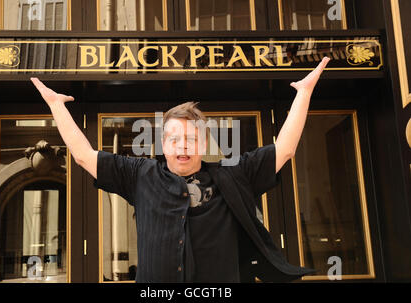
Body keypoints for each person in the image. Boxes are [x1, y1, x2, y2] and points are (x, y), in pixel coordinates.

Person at [31, 57, 331, 283]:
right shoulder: (141, 175)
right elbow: (84, 156)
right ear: (163, 143)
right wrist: (56, 105)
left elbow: (285, 149)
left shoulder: (233, 175)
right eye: (174, 139)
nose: (182, 146)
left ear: (203, 142)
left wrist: (304, 92)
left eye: (190, 138)